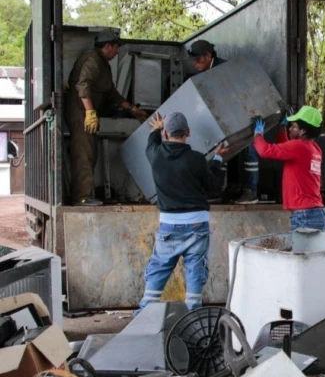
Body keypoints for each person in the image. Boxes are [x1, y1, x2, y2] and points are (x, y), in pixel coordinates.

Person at [137, 111, 228, 312]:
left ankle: (144, 312)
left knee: (159, 268)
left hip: (168, 226)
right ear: (188, 132)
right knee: (195, 270)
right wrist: (218, 160)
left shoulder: (155, 155)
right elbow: (212, 186)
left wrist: (157, 127)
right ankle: (193, 313)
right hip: (197, 225)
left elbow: (152, 141)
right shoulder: (196, 159)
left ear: (166, 135)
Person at [65, 30, 147, 206]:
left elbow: (111, 93)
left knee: (90, 152)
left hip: (87, 112)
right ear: (108, 46)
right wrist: (90, 112)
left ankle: (86, 194)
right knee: (84, 152)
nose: (118, 51)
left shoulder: (103, 64)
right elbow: (82, 85)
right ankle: (82, 197)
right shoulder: (92, 60)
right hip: (81, 111)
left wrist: (132, 109)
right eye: (117, 47)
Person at [187, 40, 259, 205]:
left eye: (197, 59)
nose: (194, 63)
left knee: (250, 152)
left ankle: (251, 191)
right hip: (225, 119)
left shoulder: (225, 70)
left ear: (208, 56)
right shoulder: (203, 73)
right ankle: (218, 189)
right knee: (223, 152)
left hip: (245, 114)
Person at [253, 106, 325, 231]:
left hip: (305, 217)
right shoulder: (314, 148)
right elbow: (287, 147)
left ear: (303, 131)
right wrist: (282, 128)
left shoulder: (299, 147)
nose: (290, 129)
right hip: (314, 213)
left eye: (293, 126)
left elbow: (264, 151)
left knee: (301, 251)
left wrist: (258, 135)